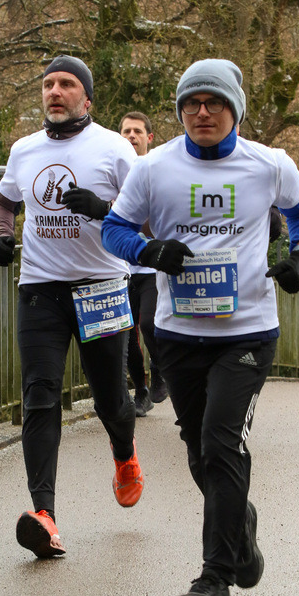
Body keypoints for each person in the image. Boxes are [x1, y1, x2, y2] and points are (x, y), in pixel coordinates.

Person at [102, 58, 299, 596]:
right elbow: (113, 229)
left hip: (246, 331)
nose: (202, 112)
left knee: (222, 445)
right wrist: (149, 250)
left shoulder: (268, 163)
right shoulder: (153, 168)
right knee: (200, 453)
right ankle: (240, 529)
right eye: (192, 104)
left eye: (214, 103)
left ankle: (214, 579)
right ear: (180, 111)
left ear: (234, 110)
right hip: (177, 334)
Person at [0, 54, 143, 559]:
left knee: (110, 399)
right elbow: (3, 200)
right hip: (41, 289)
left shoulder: (115, 148)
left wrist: (104, 211)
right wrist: (1, 234)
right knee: (39, 394)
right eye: (48, 83)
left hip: (102, 287)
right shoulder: (24, 149)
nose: (55, 91)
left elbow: (150, 213)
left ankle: (125, 454)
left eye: (67, 84)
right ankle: (44, 515)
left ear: (87, 98)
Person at [119, 111, 167, 412]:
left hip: (151, 267)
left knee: (149, 323)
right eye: (126, 131)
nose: (131, 136)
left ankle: (160, 370)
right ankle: (141, 390)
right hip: (121, 268)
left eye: (137, 131)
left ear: (149, 137)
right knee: (125, 336)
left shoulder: (157, 170)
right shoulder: (114, 170)